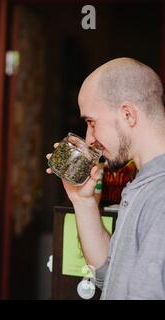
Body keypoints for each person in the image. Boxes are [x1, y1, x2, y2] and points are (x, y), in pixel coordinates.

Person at [47, 57, 165, 299]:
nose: (89, 139)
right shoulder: (143, 184)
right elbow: (108, 275)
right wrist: (82, 201)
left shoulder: (160, 195)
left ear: (128, 114)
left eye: (92, 122)